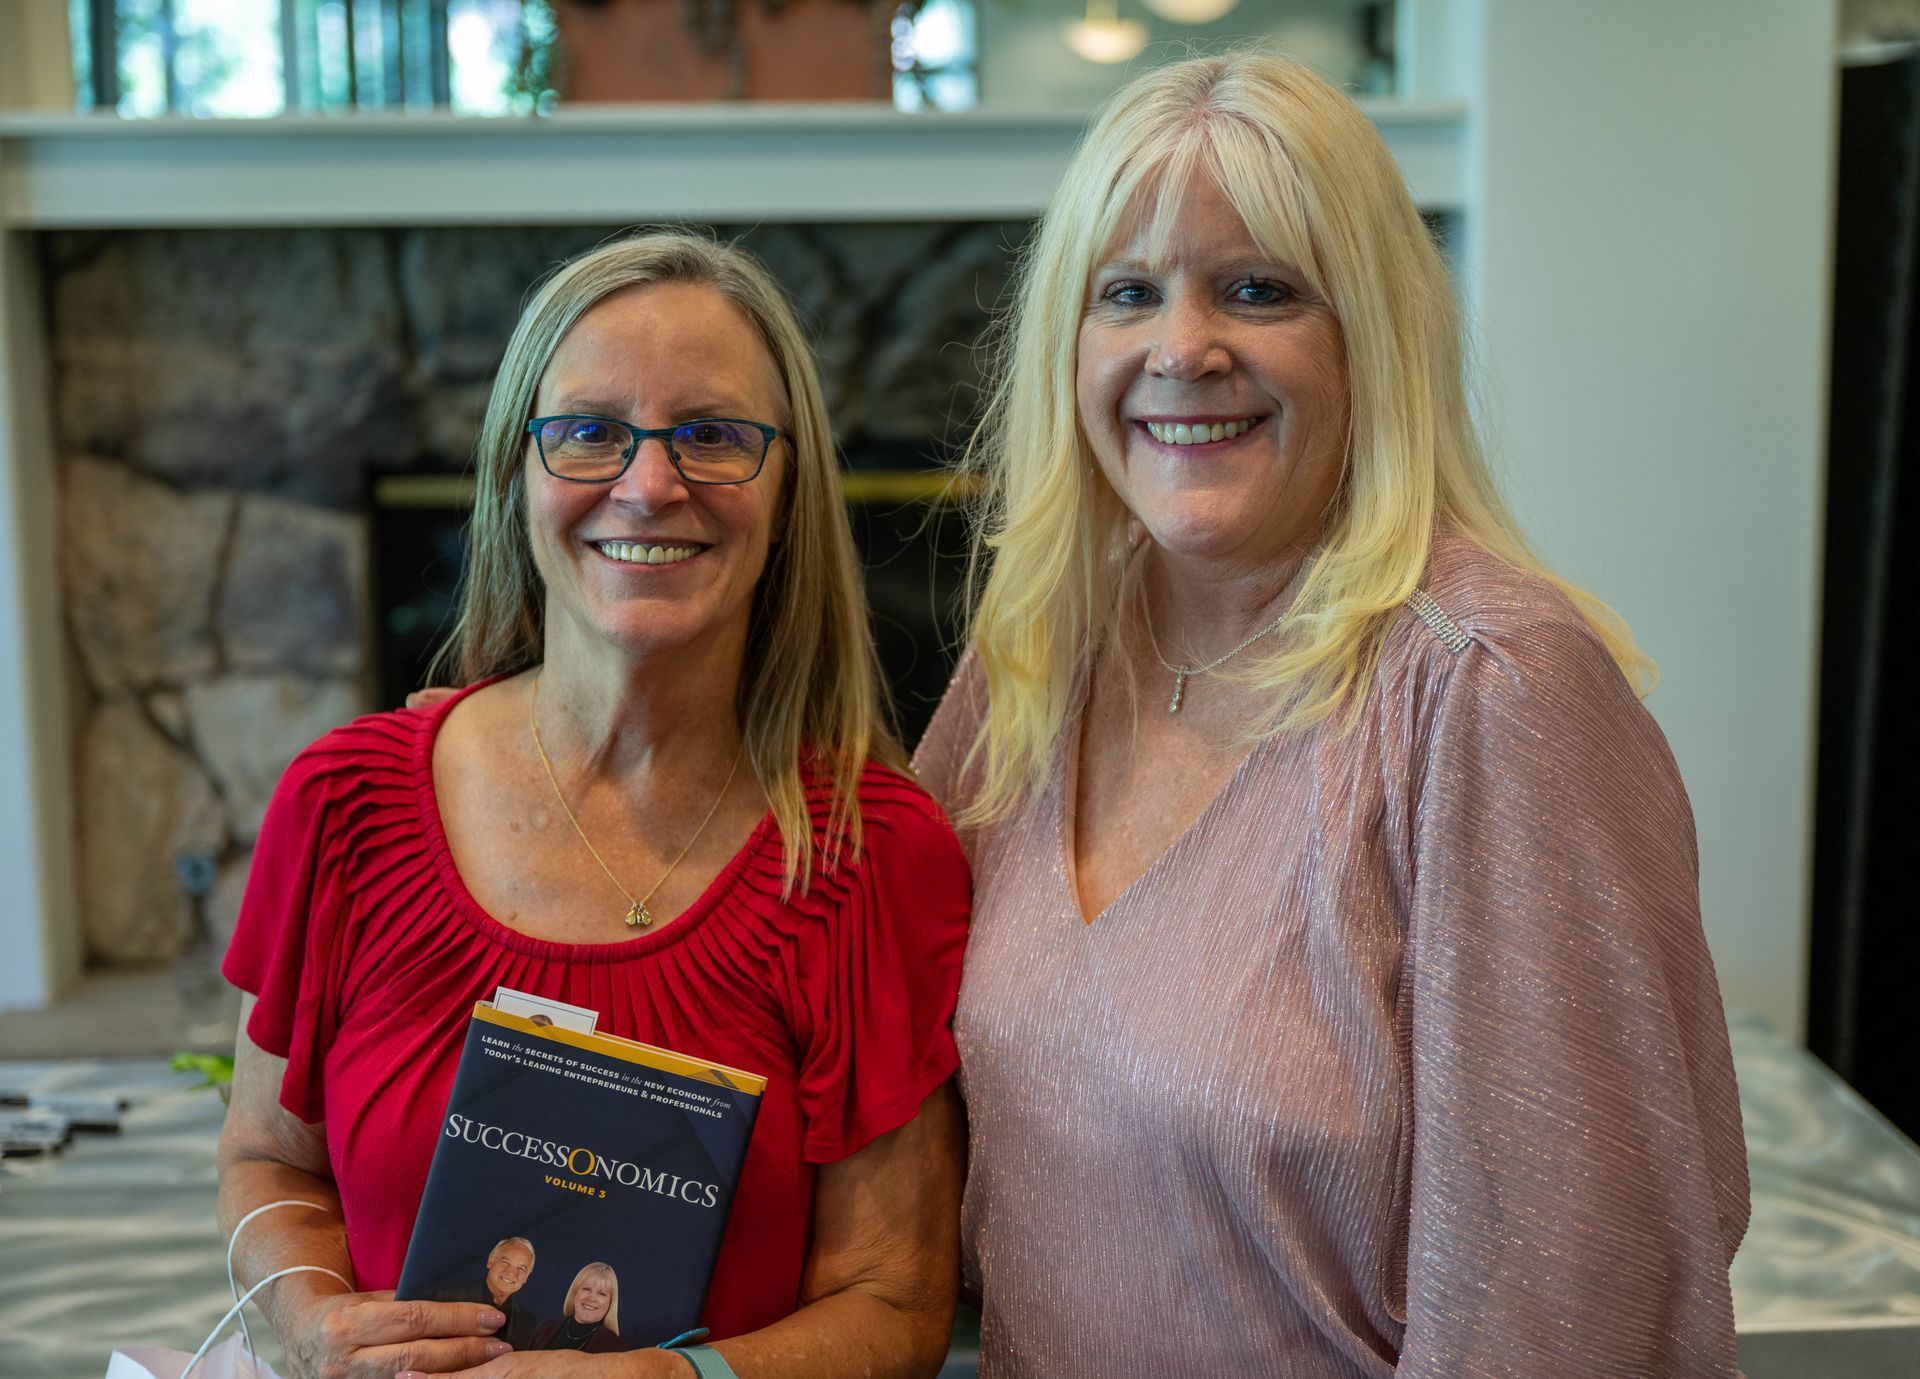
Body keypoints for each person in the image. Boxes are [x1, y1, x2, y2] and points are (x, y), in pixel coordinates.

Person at [912, 52, 1750, 1377]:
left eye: (1259, 288)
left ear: (1370, 331)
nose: (1184, 347)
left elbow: (1571, 1300)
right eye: (1127, 291)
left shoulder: (1491, 689)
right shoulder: (1046, 653)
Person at [216, 232, 968, 1379]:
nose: (650, 483)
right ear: (518, 471)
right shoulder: (345, 805)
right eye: (588, 431)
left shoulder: (872, 854)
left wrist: (677, 1378)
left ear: (788, 487)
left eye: (713, 434)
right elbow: (269, 1159)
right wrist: (313, 1318)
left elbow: (895, 1305)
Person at [428, 1237, 538, 1352]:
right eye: (506, 1262)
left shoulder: (527, 1323)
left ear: (526, 1277)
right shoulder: (447, 1298)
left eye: (520, 1268)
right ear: (490, 1261)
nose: (510, 1272)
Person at [528, 1262, 626, 1354]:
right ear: (575, 1293)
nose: (591, 1298)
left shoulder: (613, 1346)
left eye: (602, 1294)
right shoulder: (544, 1330)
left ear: (610, 1303)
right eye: (586, 1289)